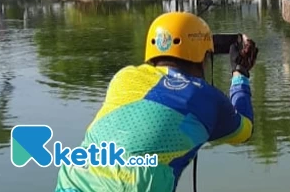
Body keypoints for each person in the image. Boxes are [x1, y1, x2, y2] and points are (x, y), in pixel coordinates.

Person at [55, 12, 259, 192]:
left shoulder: (123, 77)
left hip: (72, 181)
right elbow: (244, 130)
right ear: (204, 59)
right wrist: (240, 73)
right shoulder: (205, 97)